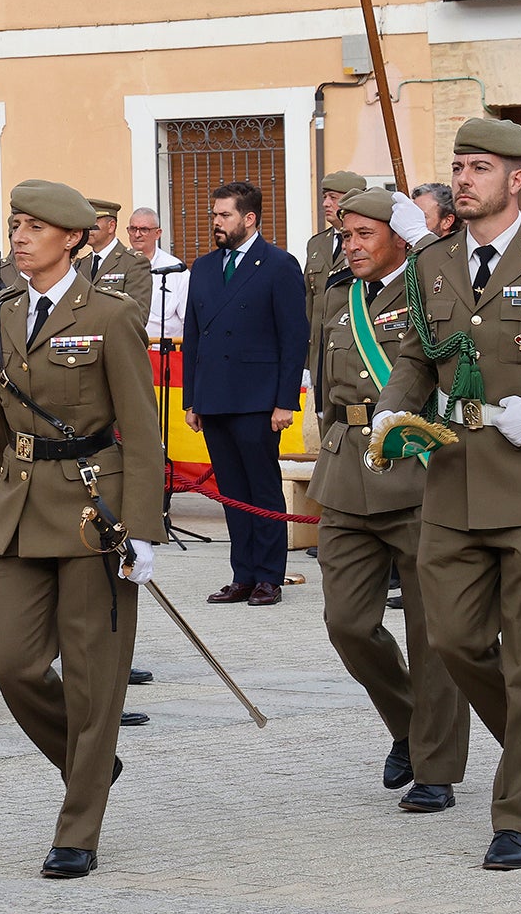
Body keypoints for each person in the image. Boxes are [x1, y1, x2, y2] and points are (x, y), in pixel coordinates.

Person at [371, 118, 521, 870]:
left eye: (480, 166)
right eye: (458, 165)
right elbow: (414, 358)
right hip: (453, 478)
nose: (462, 178)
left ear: (518, 179)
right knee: (454, 640)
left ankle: (517, 813)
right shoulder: (431, 262)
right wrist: (393, 408)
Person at [0, 180, 162, 879]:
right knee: (8, 659)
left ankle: (78, 828)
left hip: (91, 512)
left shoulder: (110, 313)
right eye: (16, 224)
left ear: (72, 238)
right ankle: (91, 762)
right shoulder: (0, 315)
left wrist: (143, 528)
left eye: (36, 227)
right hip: (18, 508)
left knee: (92, 676)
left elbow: (142, 429)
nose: (20, 237)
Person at [306, 187, 472, 813]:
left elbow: (454, 348)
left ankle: (436, 767)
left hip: (419, 471)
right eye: (345, 236)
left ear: (399, 237)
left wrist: (428, 244)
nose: (350, 247)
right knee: (347, 623)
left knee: (433, 633)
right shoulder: (337, 296)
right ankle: (408, 723)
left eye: (364, 235)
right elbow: (326, 384)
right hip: (348, 471)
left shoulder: (431, 287)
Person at [184, 180, 308, 607]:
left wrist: (285, 401)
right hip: (215, 397)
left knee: (262, 489)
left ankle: (269, 576)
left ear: (249, 218)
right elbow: (193, 336)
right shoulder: (203, 267)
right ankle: (243, 575)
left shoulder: (278, 264)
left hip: (258, 399)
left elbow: (293, 337)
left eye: (225, 215)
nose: (216, 222)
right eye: (214, 215)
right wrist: (192, 400)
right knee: (232, 492)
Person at [304, 171, 370, 396]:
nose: (325, 203)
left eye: (333, 197)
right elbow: (309, 304)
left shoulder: (369, 243)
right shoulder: (316, 244)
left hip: (353, 352)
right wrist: (306, 361)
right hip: (319, 356)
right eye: (324, 197)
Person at [77, 199, 153, 321]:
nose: (87, 229)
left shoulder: (133, 262)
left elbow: (137, 316)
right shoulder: (81, 264)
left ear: (111, 226)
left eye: (92, 224)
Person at [126, 207, 187, 340]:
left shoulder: (175, 269)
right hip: (129, 347)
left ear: (158, 233)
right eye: (133, 229)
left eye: (144, 229)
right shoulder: (119, 265)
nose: (137, 234)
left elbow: (188, 320)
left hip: (164, 349)